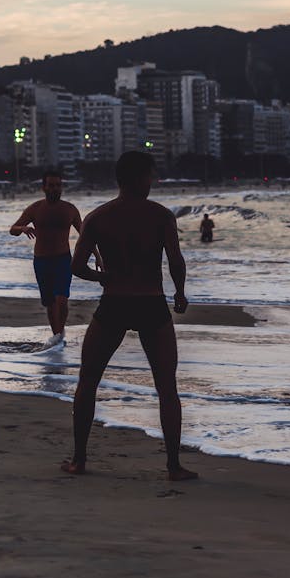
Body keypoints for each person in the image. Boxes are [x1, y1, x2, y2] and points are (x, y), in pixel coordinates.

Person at [64, 151, 196, 481]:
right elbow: (175, 260)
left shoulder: (98, 217)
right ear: (138, 178)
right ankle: (173, 466)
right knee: (167, 387)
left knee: (88, 381)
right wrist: (180, 292)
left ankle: (79, 460)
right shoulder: (161, 216)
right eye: (150, 176)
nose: (152, 182)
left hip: (114, 303)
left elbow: (77, 266)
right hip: (152, 304)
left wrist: (101, 278)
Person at [9, 170, 85, 348]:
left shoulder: (70, 209)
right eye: (51, 185)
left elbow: (84, 235)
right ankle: (57, 335)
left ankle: (59, 335)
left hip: (63, 259)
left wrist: (97, 256)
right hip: (42, 260)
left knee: (62, 300)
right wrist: (23, 228)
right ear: (44, 187)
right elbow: (13, 229)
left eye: (58, 185)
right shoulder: (35, 208)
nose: (55, 188)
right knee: (50, 303)